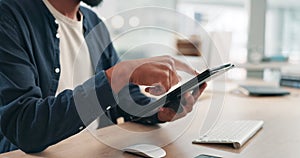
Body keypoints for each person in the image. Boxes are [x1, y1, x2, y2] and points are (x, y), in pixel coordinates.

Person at [0, 0, 207, 154]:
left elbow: (124, 100)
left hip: (92, 151)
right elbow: (24, 125)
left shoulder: (93, 22)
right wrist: (118, 76)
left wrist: (161, 111)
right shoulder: (8, 15)